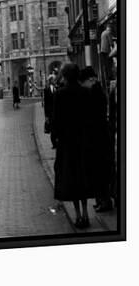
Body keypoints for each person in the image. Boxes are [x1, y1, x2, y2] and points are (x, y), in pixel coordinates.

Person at [52, 63, 96, 229]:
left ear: (65, 76)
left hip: (67, 144)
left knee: (72, 180)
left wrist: (56, 138)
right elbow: (90, 117)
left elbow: (56, 121)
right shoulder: (86, 92)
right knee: (84, 178)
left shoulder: (60, 94)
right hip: (83, 141)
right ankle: (86, 213)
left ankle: (78, 216)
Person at [79, 66, 113, 212]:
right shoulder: (95, 90)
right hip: (98, 137)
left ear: (90, 79)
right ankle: (101, 200)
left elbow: (92, 116)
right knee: (98, 171)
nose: (83, 85)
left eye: (84, 82)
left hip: (97, 139)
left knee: (100, 172)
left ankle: (104, 201)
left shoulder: (95, 92)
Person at [43, 74, 57, 149]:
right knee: (52, 129)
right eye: (54, 80)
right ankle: (54, 143)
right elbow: (46, 103)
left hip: (57, 112)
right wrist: (46, 116)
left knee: (57, 128)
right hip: (50, 113)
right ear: (51, 80)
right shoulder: (47, 90)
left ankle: (57, 142)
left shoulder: (57, 88)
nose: (55, 81)